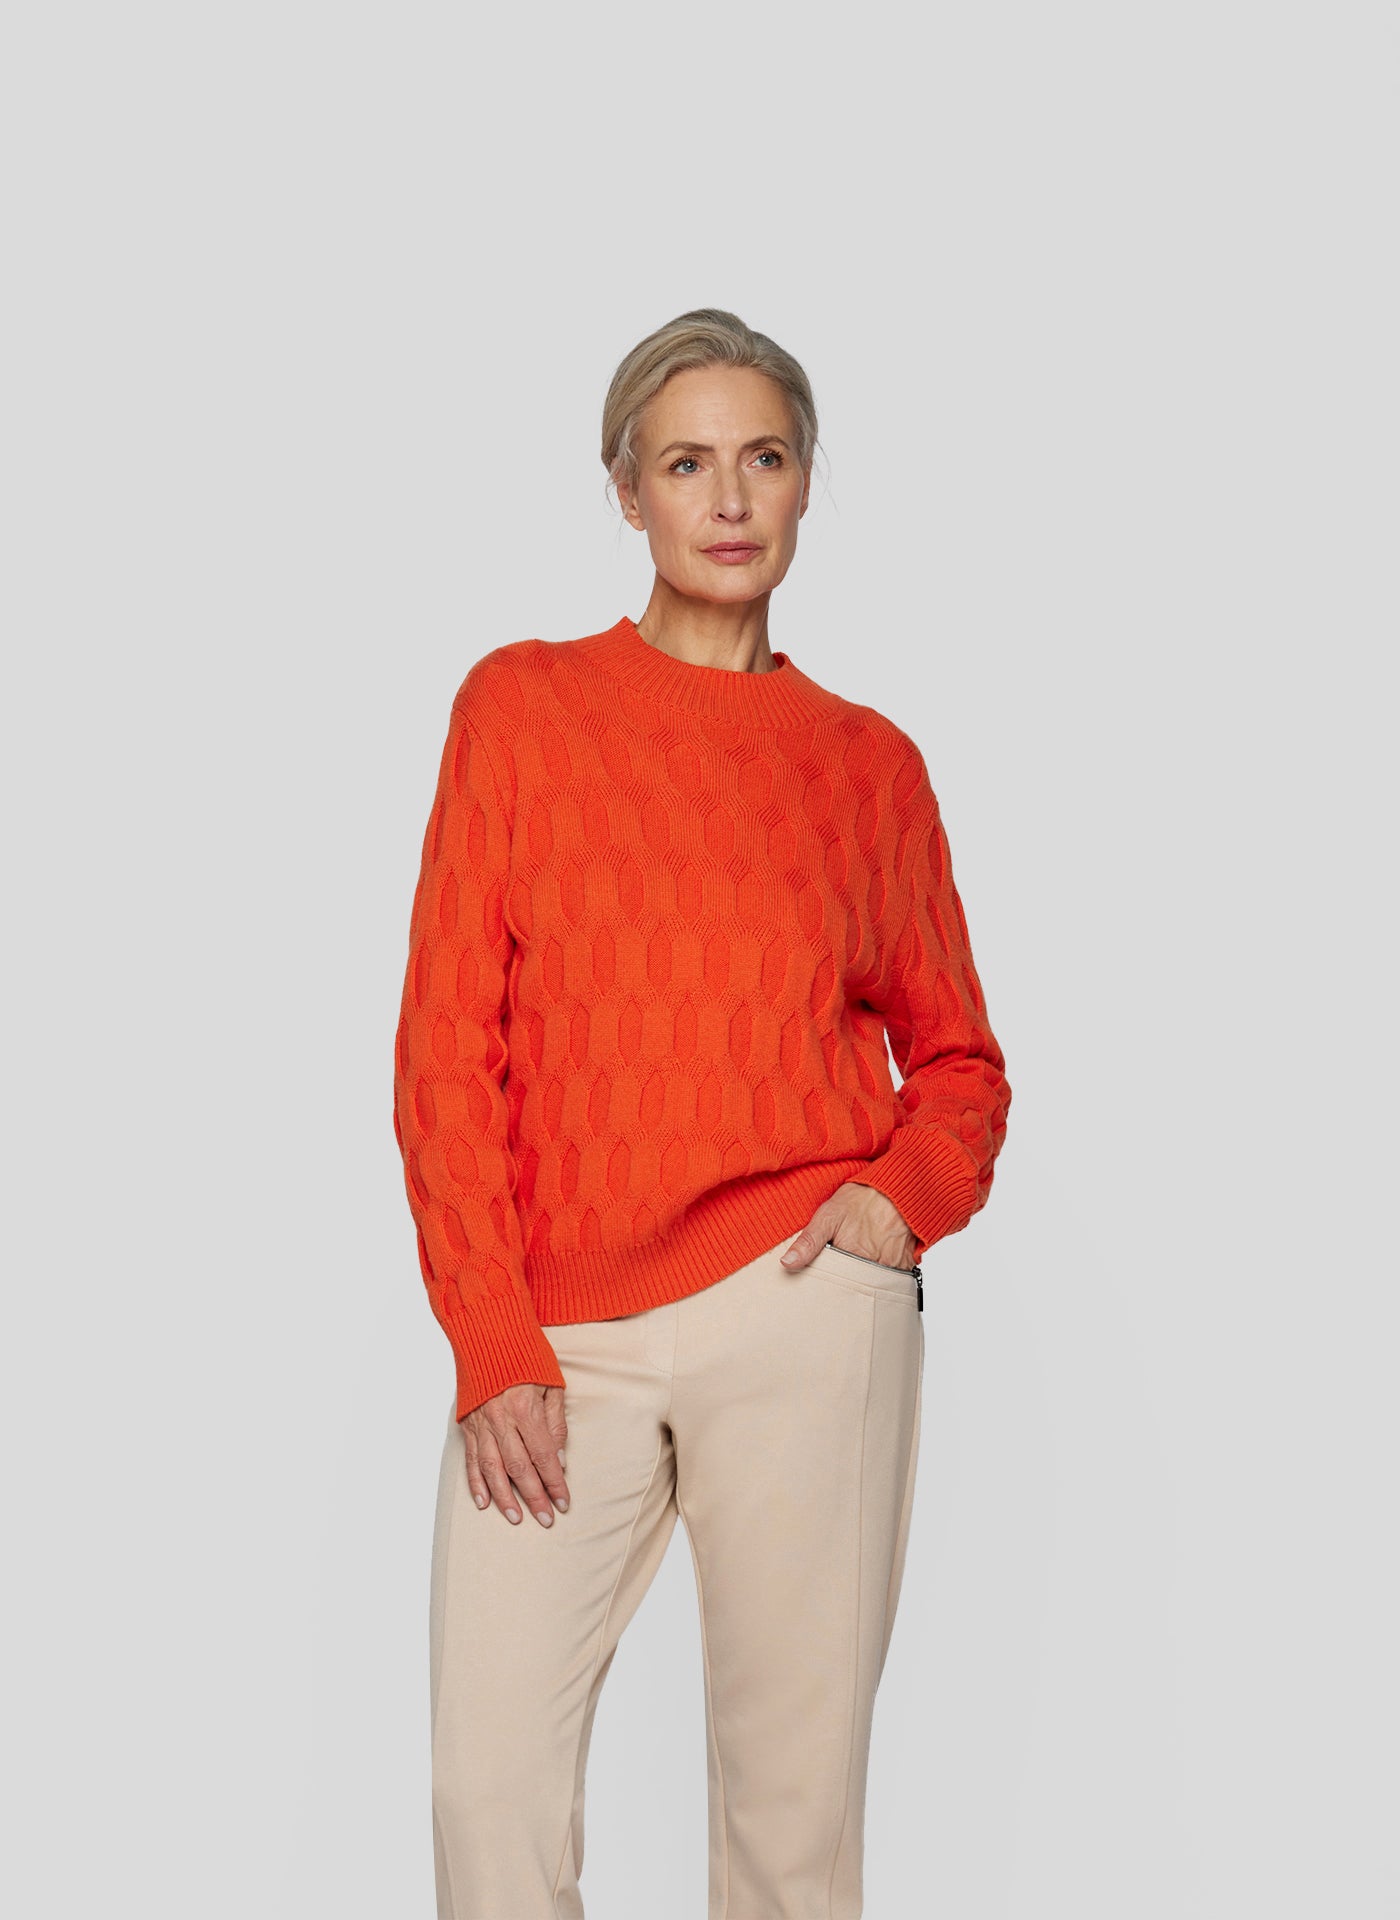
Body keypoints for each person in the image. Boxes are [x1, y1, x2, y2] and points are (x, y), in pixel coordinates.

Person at [392, 306, 1012, 1918]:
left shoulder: (867, 768)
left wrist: (892, 1208)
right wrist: (490, 1337)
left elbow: (960, 1064)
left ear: (805, 483)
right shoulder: (521, 708)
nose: (729, 499)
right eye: (686, 464)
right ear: (626, 492)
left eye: (764, 458)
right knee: (488, 1788)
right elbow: (446, 1046)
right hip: (557, 1335)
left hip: (802, 1303)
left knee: (790, 1822)